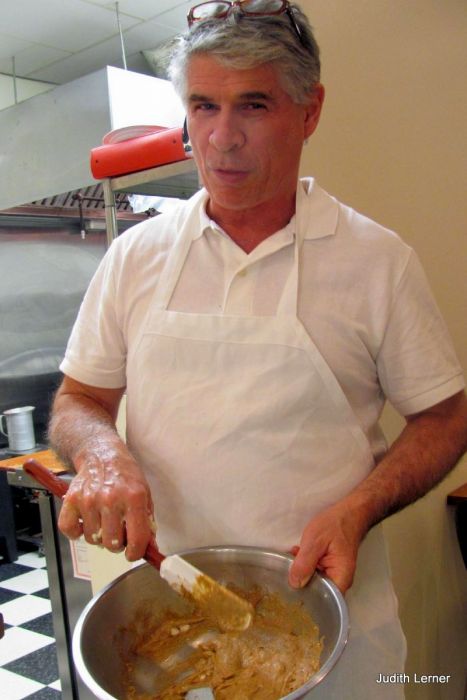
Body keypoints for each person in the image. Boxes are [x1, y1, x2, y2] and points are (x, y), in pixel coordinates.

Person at [49, 2, 467, 697]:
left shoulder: (375, 262)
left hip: (338, 628)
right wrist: (100, 454)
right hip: (168, 625)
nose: (221, 138)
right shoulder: (136, 257)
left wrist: (358, 509)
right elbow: (79, 399)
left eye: (253, 105)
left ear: (309, 111)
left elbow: (445, 418)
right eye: (203, 106)